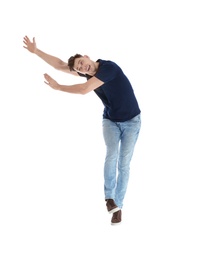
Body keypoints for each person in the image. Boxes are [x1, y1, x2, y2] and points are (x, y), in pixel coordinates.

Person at [23, 35, 141, 225]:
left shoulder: (108, 68)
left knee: (124, 164)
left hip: (132, 122)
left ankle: (118, 206)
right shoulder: (89, 73)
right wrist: (36, 51)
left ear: (86, 56)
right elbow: (61, 65)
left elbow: (84, 89)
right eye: (78, 68)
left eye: (81, 63)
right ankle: (110, 200)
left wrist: (59, 87)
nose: (81, 68)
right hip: (110, 120)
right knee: (111, 155)